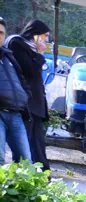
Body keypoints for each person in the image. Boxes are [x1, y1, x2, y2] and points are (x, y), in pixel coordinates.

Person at [6, 19, 51, 171]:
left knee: (38, 144)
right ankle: (23, 178)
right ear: (35, 35)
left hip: (36, 106)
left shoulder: (29, 49)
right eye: (44, 35)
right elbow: (28, 71)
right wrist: (39, 53)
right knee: (26, 146)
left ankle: (42, 178)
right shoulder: (17, 44)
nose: (46, 39)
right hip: (26, 104)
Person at [0, 16, 32, 164]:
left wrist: (26, 96)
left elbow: (22, 80)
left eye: (1, 33)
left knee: (26, 162)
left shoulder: (9, 57)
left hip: (16, 114)